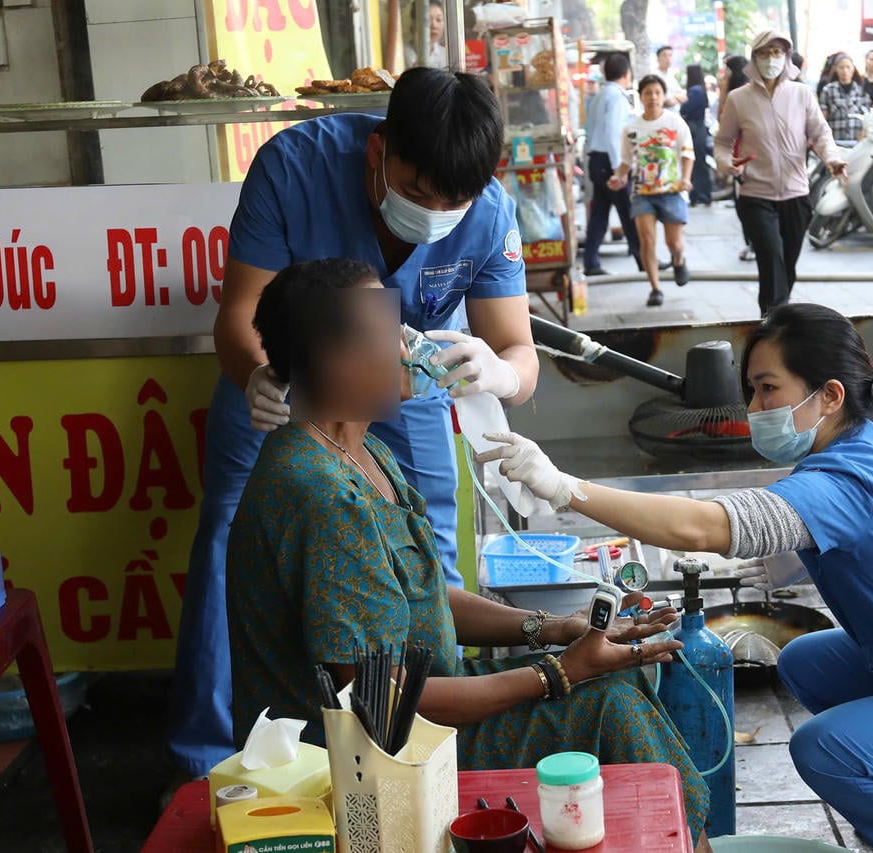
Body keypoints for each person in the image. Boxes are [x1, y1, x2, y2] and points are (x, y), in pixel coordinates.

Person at [477, 302, 873, 853]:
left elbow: (704, 529)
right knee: (806, 661)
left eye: (767, 389)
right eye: (751, 390)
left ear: (829, 395)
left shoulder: (849, 480)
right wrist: (784, 556)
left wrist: (566, 488)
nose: (754, 410)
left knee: (826, 750)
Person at [228, 257, 710, 848]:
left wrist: (556, 627)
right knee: (607, 706)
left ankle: (678, 837)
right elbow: (382, 710)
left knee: (621, 684)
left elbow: (423, 596)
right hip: (366, 768)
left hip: (424, 711)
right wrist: (561, 671)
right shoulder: (323, 500)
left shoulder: (362, 452)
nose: (414, 348)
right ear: (335, 361)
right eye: (390, 334)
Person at [164, 68, 539, 789]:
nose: (435, 214)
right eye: (420, 196)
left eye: (451, 206)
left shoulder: (488, 211)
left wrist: (498, 371)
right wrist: (257, 376)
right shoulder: (294, 166)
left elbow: (519, 353)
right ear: (378, 154)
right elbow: (239, 313)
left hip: (412, 389)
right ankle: (212, 765)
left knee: (425, 550)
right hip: (281, 381)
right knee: (232, 540)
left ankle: (430, 742)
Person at [715, 31, 846, 316]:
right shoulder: (739, 99)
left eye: (777, 53)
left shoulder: (801, 94)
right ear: (754, 58)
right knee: (770, 255)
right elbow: (723, 143)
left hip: (796, 194)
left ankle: (776, 315)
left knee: (786, 265)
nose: (771, 59)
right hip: (755, 194)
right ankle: (773, 321)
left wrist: (832, 159)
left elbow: (820, 133)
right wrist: (727, 164)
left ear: (786, 58)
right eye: (764, 53)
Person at [610, 75, 694, 306]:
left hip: (672, 191)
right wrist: (618, 176)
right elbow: (626, 162)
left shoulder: (675, 123)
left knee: (673, 243)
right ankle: (655, 288)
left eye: (657, 92)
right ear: (641, 96)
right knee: (646, 241)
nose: (653, 97)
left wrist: (686, 179)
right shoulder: (631, 128)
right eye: (648, 92)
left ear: (663, 95)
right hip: (642, 193)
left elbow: (688, 154)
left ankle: (678, 260)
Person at [581, 53, 641, 277]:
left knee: (600, 212)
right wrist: (620, 168)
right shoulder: (616, 97)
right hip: (610, 161)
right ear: (627, 74)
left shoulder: (599, 95)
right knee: (628, 211)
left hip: (597, 159)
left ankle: (590, 261)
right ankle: (644, 259)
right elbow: (614, 133)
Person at [720, 53, 755, 262]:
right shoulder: (732, 96)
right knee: (742, 203)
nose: (723, 75)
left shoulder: (741, 98)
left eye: (727, 71)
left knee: (746, 204)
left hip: (745, 157)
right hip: (736, 157)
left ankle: (754, 243)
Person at [819, 53, 871, 144]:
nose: (845, 71)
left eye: (848, 67)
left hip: (857, 141)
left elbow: (867, 117)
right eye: (841, 67)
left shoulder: (862, 91)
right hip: (836, 140)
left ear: (853, 69)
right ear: (836, 70)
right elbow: (823, 117)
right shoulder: (828, 90)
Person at [681, 64, 714, 207]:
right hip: (699, 129)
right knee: (701, 164)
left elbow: (684, 108)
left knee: (695, 164)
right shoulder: (701, 90)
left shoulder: (694, 91)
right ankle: (704, 195)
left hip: (694, 130)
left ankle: (697, 195)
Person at [404, 0, 447, 70]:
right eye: (427, 19)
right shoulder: (402, 54)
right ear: (414, 22)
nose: (434, 25)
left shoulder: (446, 55)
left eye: (438, 19)